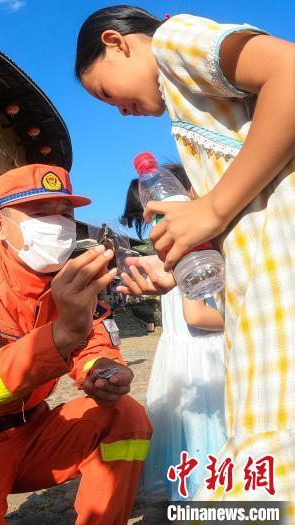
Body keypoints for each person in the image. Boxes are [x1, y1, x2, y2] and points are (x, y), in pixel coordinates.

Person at [76, 6, 295, 506]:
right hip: (260, 304)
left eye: (106, 93)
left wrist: (213, 207)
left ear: (118, 42)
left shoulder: (173, 42)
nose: (120, 112)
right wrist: (181, 271)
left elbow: (290, 69)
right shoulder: (186, 104)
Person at [0, 164, 152, 525]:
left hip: (34, 434)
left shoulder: (74, 284)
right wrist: (60, 335)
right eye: (39, 213)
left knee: (126, 416)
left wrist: (103, 372)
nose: (58, 224)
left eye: (65, 214)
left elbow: (96, 345)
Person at [121, 164, 226, 500]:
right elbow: (196, 315)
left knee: (190, 452)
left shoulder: (166, 252)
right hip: (206, 362)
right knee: (211, 451)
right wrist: (243, 318)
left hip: (180, 361)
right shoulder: (193, 249)